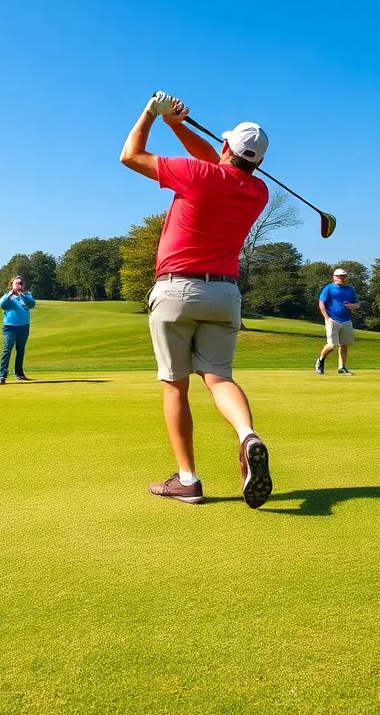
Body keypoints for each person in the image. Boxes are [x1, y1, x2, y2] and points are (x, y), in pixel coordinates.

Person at [120, 91, 273, 508]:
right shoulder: (258, 192)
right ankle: (247, 436)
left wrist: (151, 114)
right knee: (219, 378)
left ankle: (187, 480)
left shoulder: (197, 174)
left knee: (176, 386)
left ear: (225, 145)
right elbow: (217, 163)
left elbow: (130, 156)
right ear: (258, 161)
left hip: (176, 291)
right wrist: (177, 125)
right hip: (224, 294)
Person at [316, 268, 360, 376]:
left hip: (346, 320)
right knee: (332, 345)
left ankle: (342, 367)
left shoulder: (350, 289)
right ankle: (320, 360)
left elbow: (357, 304)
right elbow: (321, 302)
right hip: (332, 319)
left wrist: (353, 306)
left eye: (342, 276)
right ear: (334, 277)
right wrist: (327, 317)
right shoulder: (329, 288)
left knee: (344, 345)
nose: (340, 278)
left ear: (345, 277)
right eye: (338, 276)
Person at [0, 276, 36, 384]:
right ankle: (2, 375)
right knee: (7, 350)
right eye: (16, 283)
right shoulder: (7, 297)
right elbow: (2, 305)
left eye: (21, 283)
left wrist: (22, 295)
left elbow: (31, 304)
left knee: (20, 350)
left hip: (23, 327)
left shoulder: (27, 295)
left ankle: (19, 373)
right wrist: (11, 294)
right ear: (12, 285)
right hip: (9, 328)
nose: (19, 285)